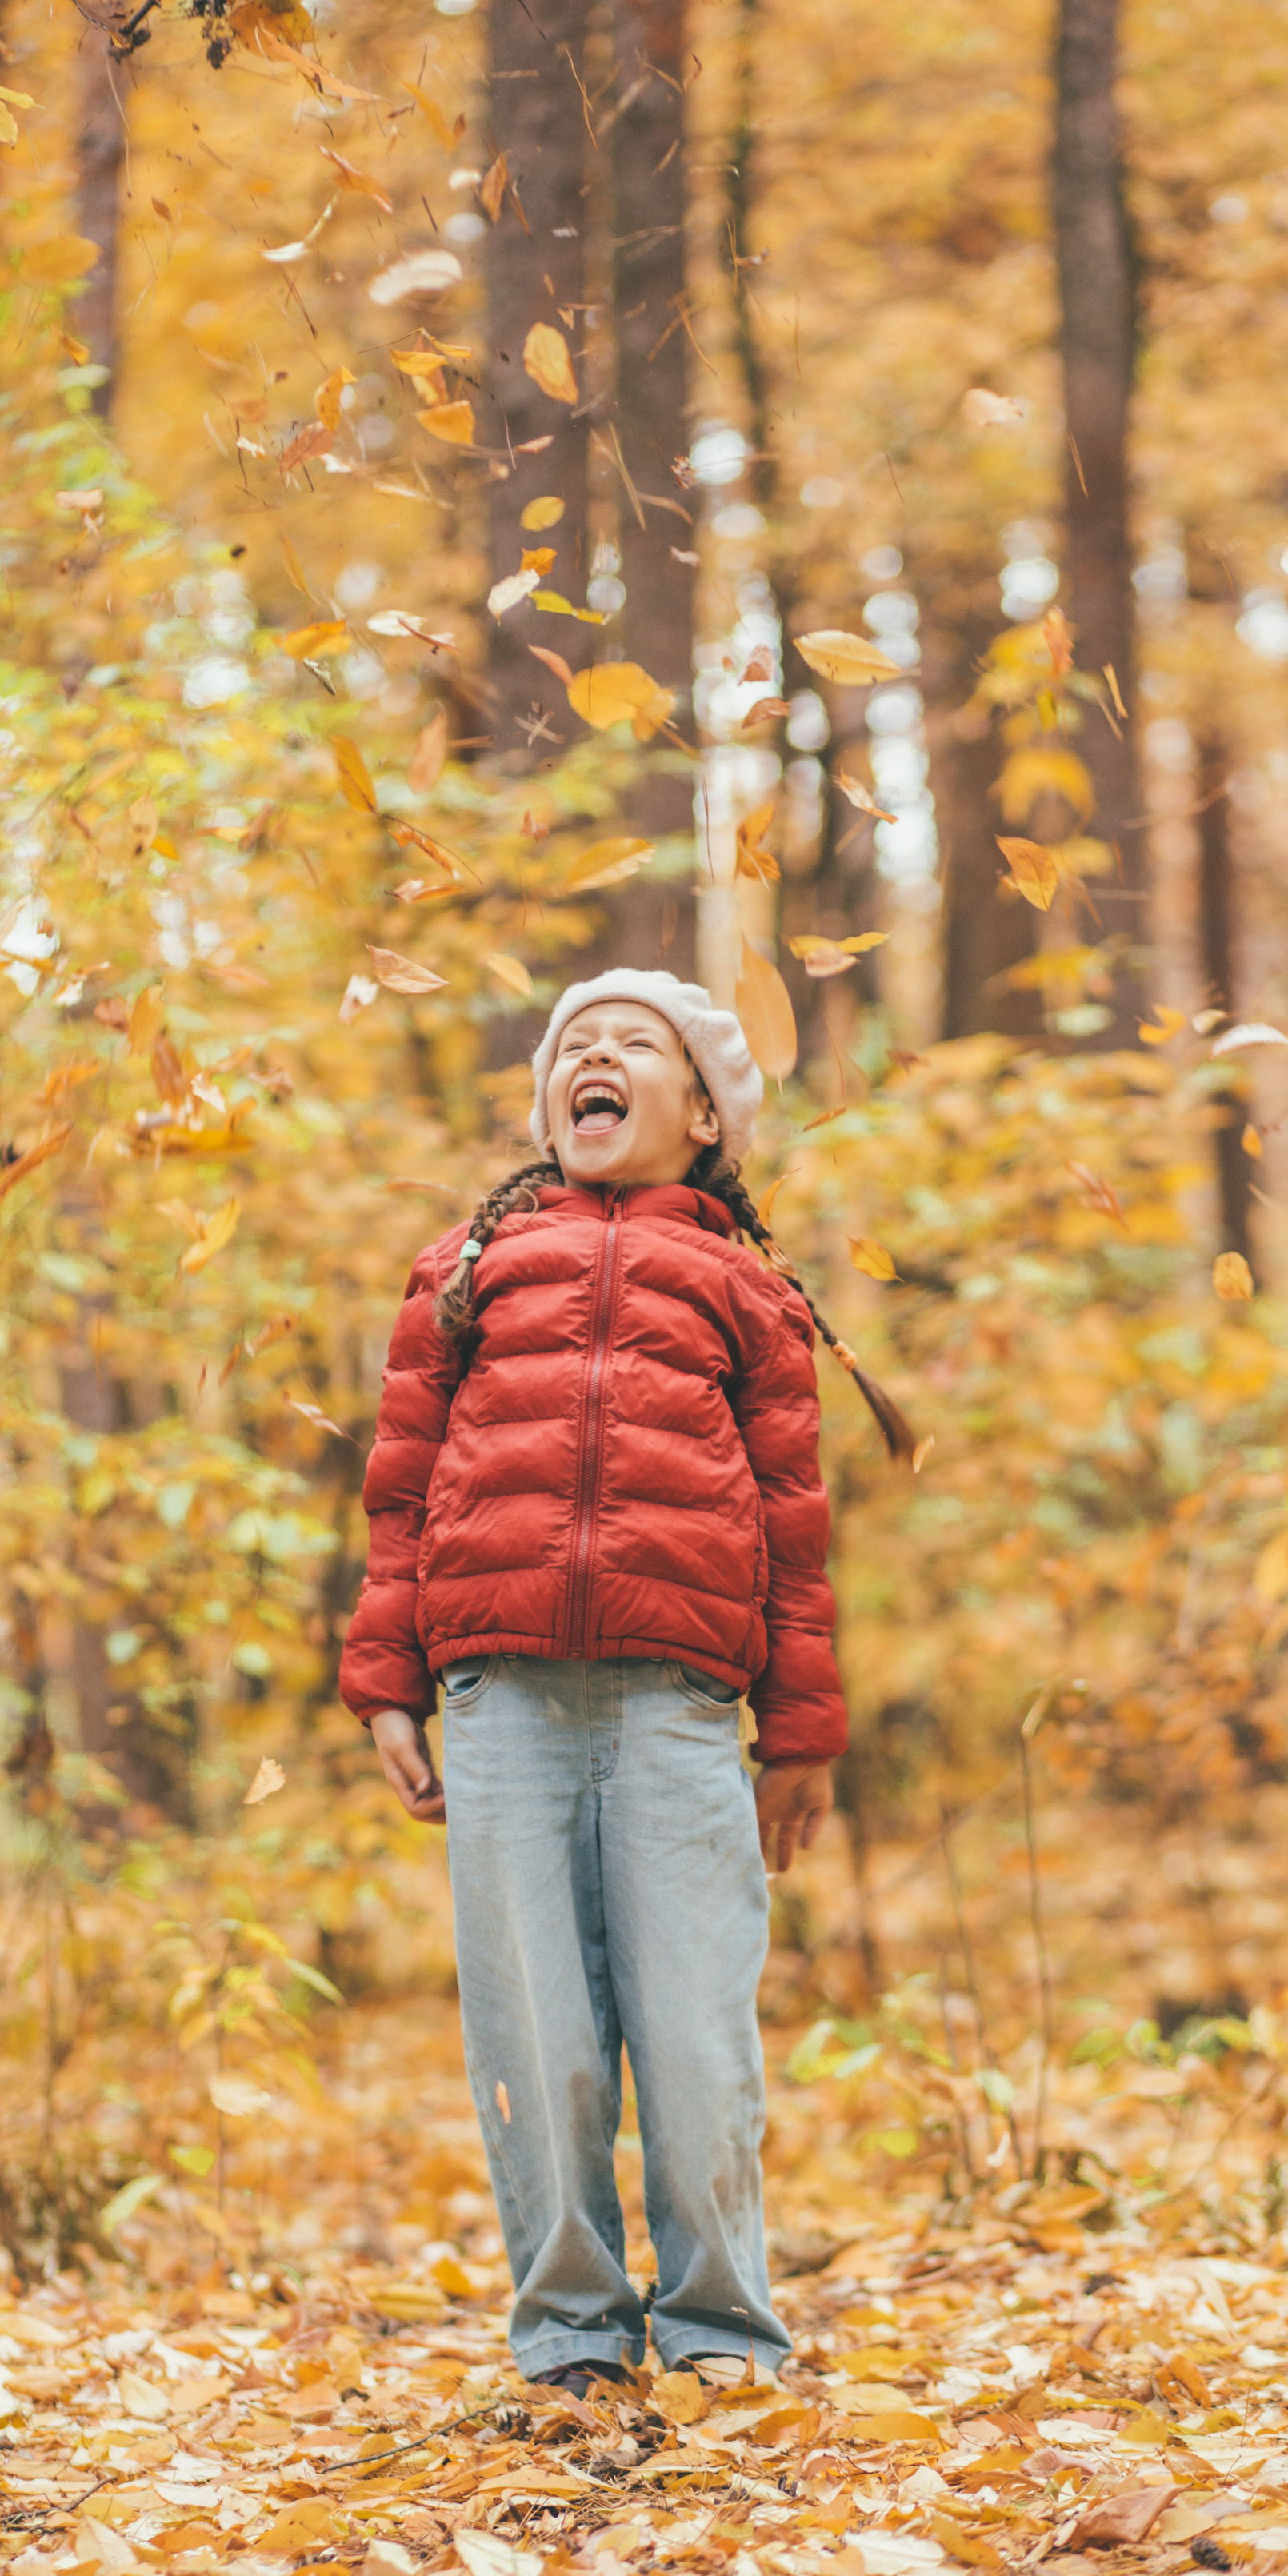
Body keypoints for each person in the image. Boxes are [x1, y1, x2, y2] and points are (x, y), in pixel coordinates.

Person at [338, 968, 910, 2394]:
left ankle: (722, 2331)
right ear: (551, 1109)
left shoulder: (746, 1288)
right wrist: (385, 1679)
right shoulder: (467, 1267)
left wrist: (801, 1730)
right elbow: (402, 1493)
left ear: (706, 1116)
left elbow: (792, 1523)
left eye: (634, 1047)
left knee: (697, 2035)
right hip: (501, 1704)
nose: (593, 1060)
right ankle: (573, 2335)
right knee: (540, 2041)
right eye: (573, 1049)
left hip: (676, 1707)